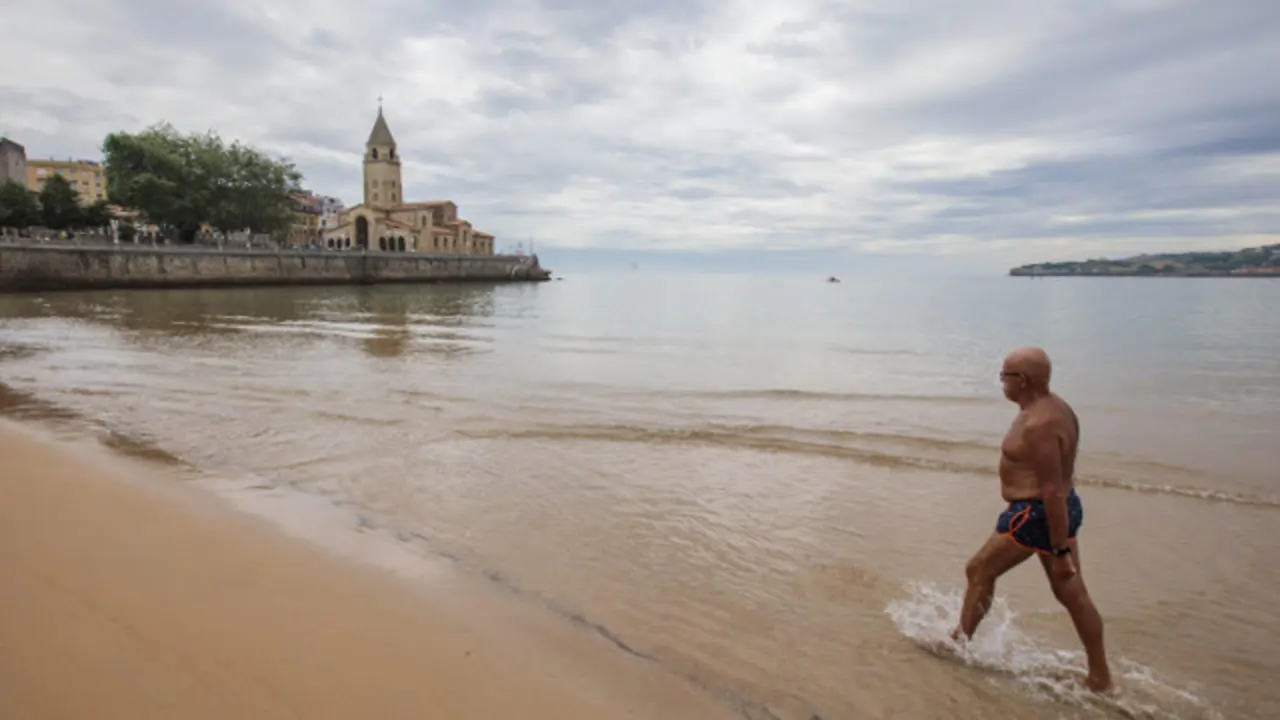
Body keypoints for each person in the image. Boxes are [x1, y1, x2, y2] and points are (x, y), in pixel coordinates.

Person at [951, 347, 1112, 692]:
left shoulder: (1040, 423)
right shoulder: (1057, 408)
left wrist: (1060, 549)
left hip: (1036, 514)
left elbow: (1050, 488)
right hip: (1059, 508)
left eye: (1004, 376)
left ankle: (959, 643)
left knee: (979, 570)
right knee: (1071, 592)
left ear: (1021, 380)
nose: (1001, 382)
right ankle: (1100, 676)